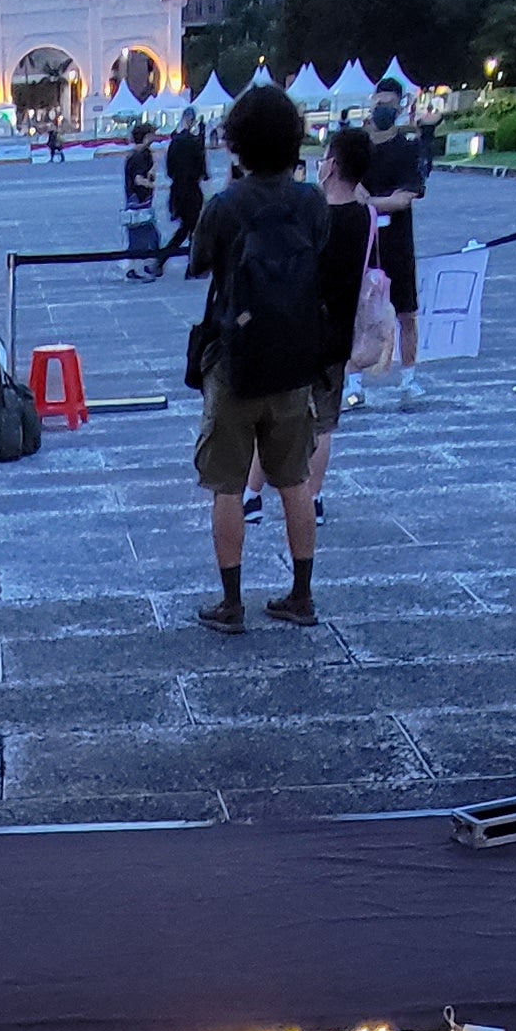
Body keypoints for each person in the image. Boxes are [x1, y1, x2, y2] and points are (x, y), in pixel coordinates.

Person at [185, 82, 336, 633]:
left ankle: (231, 601)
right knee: (294, 480)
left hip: (235, 360)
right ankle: (301, 594)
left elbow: (202, 265)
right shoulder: (311, 202)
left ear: (238, 144)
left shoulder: (225, 207)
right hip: (296, 359)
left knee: (227, 483)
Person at [310, 127, 383, 506]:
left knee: (281, 417)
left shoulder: (312, 214)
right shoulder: (366, 216)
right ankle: (314, 498)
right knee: (324, 423)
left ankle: (256, 494)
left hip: (300, 329)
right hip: (339, 330)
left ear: (332, 166)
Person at [363, 83, 429, 401]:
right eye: (379, 104)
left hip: (398, 240)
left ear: (399, 108)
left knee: (406, 311)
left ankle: (408, 378)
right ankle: (353, 384)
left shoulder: (408, 148)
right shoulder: (359, 148)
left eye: (389, 104)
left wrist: (370, 201)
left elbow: (404, 198)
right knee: (358, 310)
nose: (382, 110)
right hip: (363, 240)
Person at [161, 114, 210, 272]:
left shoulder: (174, 143)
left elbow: (169, 170)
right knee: (191, 228)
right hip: (191, 188)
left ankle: (165, 260)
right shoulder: (195, 143)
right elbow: (202, 168)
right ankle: (190, 265)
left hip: (177, 189)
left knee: (188, 227)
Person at [120, 132, 164, 278]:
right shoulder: (138, 157)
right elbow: (138, 179)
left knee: (149, 236)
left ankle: (146, 266)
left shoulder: (140, 155)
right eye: (151, 135)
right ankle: (134, 268)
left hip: (139, 201)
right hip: (138, 202)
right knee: (142, 237)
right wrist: (155, 185)